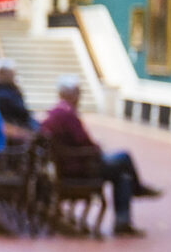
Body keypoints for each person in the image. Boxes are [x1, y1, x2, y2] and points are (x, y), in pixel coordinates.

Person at [39, 76, 162, 236]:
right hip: (81, 167)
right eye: (77, 93)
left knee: (124, 177)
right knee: (124, 158)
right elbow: (84, 142)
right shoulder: (67, 114)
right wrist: (97, 148)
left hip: (71, 164)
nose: (79, 97)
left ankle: (123, 219)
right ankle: (136, 192)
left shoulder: (55, 112)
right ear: (71, 95)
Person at [0, 59, 39, 143]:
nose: (14, 76)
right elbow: (20, 113)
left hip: (23, 125)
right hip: (16, 129)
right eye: (11, 73)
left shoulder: (11, 90)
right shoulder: (2, 94)